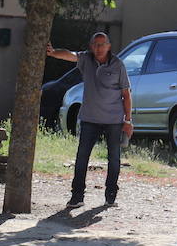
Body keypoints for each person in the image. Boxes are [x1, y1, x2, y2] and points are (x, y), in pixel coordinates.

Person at [47, 32, 132, 207]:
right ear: (91, 46)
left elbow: (126, 94)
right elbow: (70, 55)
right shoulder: (86, 59)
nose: (98, 48)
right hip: (89, 119)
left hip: (113, 120)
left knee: (114, 158)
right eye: (95, 44)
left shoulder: (118, 65)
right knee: (82, 157)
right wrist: (53, 52)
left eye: (102, 44)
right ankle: (77, 196)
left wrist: (128, 121)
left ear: (109, 46)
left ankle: (110, 196)